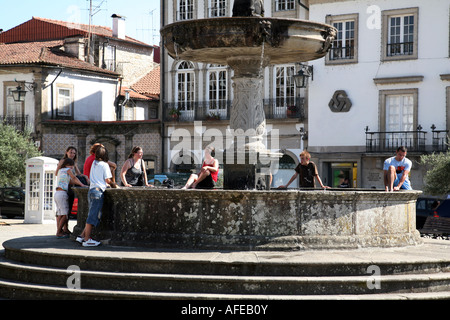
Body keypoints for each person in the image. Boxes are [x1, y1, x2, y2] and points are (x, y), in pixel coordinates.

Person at [76, 146, 113, 247]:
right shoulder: (104, 165)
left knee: (91, 214)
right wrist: (114, 184)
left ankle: (82, 236)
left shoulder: (94, 163)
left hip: (91, 190)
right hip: (98, 192)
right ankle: (87, 240)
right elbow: (108, 180)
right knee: (93, 216)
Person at [54, 158, 87, 238]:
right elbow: (74, 178)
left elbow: (70, 181)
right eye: (71, 165)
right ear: (67, 165)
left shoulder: (60, 171)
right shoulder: (68, 170)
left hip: (57, 193)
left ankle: (60, 231)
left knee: (60, 214)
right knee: (65, 215)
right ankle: (58, 232)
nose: (72, 167)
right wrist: (82, 185)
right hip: (62, 193)